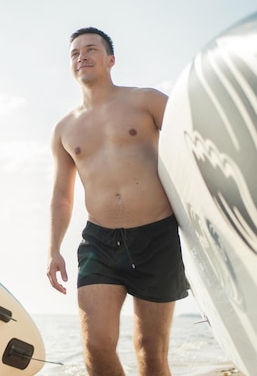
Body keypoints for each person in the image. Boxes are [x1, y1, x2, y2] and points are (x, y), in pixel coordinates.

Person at [46, 27, 190, 376]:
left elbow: (195, 143)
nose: (82, 56)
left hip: (156, 236)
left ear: (110, 60)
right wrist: (54, 249)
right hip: (100, 240)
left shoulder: (146, 101)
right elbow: (63, 196)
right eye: (75, 52)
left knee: (151, 352)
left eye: (91, 49)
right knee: (95, 346)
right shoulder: (64, 128)